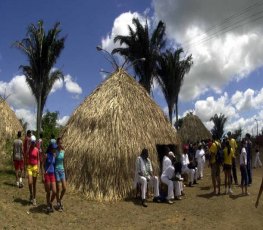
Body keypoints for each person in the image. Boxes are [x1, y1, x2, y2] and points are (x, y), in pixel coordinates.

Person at [42, 143, 57, 213]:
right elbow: (42, 165)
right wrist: (43, 175)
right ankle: (48, 205)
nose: (55, 149)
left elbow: (55, 165)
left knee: (54, 191)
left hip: (52, 174)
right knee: (48, 191)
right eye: (54, 148)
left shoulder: (54, 155)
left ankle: (49, 203)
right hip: (47, 174)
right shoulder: (46, 155)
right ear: (51, 148)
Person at [27, 135, 39, 206]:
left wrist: (38, 169)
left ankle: (34, 198)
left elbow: (38, 160)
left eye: (33, 142)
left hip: (35, 167)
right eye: (32, 142)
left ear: (35, 142)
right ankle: (31, 194)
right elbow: (27, 157)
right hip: (29, 167)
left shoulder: (37, 150)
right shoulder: (29, 149)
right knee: (30, 183)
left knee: (34, 184)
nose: (33, 143)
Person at [55, 137, 66, 211]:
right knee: (58, 189)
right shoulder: (55, 152)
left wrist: (65, 171)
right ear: (57, 143)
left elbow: (64, 161)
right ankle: (58, 204)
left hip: (62, 170)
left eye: (61, 143)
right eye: (59, 143)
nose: (60, 144)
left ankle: (59, 201)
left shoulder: (63, 151)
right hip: (56, 170)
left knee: (64, 188)